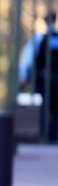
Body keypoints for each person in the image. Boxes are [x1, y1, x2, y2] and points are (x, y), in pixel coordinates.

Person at [18, 11, 58, 142]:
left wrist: (24, 77)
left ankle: (40, 136)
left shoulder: (39, 38)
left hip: (43, 80)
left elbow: (27, 60)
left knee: (41, 110)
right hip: (52, 81)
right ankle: (52, 137)